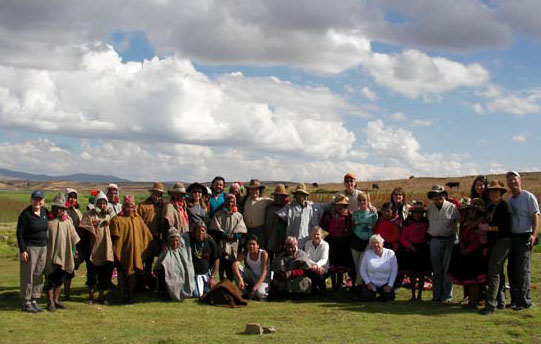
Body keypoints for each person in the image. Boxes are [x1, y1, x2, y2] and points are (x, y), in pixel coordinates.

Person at [506, 171, 539, 310]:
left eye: (514, 179)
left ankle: (525, 300)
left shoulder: (528, 197)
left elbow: (535, 216)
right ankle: (514, 299)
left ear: (520, 180)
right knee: (512, 269)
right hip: (513, 236)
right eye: (509, 180)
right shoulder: (510, 199)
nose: (512, 182)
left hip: (525, 235)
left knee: (523, 270)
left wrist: (534, 234)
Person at [110, 195, 153, 303]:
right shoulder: (116, 219)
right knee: (122, 273)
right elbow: (114, 237)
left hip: (135, 252)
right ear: (123, 207)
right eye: (128, 207)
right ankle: (121, 294)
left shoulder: (137, 219)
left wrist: (142, 249)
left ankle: (130, 294)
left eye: (132, 207)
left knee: (133, 273)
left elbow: (146, 234)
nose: (130, 209)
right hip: (122, 252)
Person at [479, 180, 513, 315]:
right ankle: (501, 302)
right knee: (498, 272)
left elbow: (507, 227)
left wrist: (489, 228)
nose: (494, 194)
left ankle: (490, 305)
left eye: (497, 192)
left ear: (501, 193)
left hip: (502, 241)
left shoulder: (505, 206)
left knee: (494, 272)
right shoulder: (490, 206)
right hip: (493, 241)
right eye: (492, 191)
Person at [43, 194, 80, 311]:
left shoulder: (68, 222)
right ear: (53, 208)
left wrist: (75, 251)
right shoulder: (47, 221)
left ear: (64, 209)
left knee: (60, 279)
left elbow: (74, 238)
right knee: (50, 278)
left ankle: (56, 300)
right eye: (56, 207)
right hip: (50, 254)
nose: (58, 210)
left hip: (65, 254)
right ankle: (50, 302)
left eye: (60, 208)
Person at [449, 198, 487, 309]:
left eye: (473, 210)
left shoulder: (480, 223)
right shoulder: (466, 222)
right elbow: (461, 236)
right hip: (465, 252)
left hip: (475, 254)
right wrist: (462, 246)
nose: (470, 212)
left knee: (473, 280)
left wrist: (468, 249)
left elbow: (479, 241)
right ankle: (469, 299)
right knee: (467, 280)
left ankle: (474, 301)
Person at [79, 191, 114, 304]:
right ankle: (91, 296)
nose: (102, 205)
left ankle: (101, 296)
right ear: (96, 203)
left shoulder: (108, 215)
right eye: (100, 203)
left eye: (104, 203)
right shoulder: (89, 214)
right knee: (92, 274)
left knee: (104, 274)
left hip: (105, 249)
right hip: (92, 249)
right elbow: (83, 229)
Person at [426, 184, 459, 303]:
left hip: (449, 240)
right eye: (435, 195)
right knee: (436, 270)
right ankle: (436, 295)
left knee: (447, 270)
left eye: (440, 194)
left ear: (444, 195)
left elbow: (460, 221)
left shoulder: (452, 207)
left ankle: (447, 296)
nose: (438, 197)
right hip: (434, 240)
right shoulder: (430, 208)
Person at [16, 190, 48, 313]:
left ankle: (35, 299)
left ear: (43, 201)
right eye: (35, 199)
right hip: (30, 248)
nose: (38, 202)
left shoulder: (45, 212)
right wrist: (23, 250)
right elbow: (19, 233)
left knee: (38, 274)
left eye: (40, 199)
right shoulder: (25, 214)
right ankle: (26, 301)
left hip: (43, 247)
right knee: (27, 275)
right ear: (31, 200)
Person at [396, 201, 430, 301]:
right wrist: (410, 246)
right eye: (416, 212)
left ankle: (419, 295)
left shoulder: (426, 223)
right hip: (411, 249)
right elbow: (403, 237)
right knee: (412, 274)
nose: (418, 215)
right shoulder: (408, 223)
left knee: (422, 274)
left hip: (423, 248)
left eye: (420, 213)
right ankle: (413, 295)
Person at [320, 194, 354, 291]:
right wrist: (331, 232)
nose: (340, 207)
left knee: (342, 265)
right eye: (338, 205)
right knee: (333, 264)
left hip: (344, 243)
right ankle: (334, 284)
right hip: (332, 242)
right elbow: (323, 225)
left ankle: (340, 284)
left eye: (342, 205)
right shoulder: (329, 214)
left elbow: (352, 227)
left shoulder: (349, 215)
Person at [209, 193, 247, 280]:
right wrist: (225, 235)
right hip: (221, 244)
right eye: (228, 201)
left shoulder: (238, 215)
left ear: (235, 203)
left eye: (232, 202)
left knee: (231, 266)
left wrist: (234, 236)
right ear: (225, 202)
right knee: (221, 265)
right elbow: (215, 229)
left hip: (233, 244)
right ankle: (221, 280)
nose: (230, 204)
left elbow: (242, 230)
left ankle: (231, 281)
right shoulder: (218, 215)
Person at [275, 183, 325, 249]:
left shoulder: (312, 207)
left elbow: (326, 206)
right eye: (298, 194)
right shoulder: (289, 207)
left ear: (305, 196)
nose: (300, 196)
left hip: (307, 242)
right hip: (292, 243)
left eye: (302, 194)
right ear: (295, 195)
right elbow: (279, 220)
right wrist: (285, 236)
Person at [136, 182, 166, 291]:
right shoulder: (142, 206)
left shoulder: (163, 207)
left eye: (160, 194)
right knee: (145, 263)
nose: (158, 196)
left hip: (158, 240)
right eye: (156, 193)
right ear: (152, 193)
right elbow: (138, 223)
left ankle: (157, 285)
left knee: (160, 264)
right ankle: (141, 285)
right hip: (145, 239)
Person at [154, 228, 195, 301]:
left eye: (177, 240)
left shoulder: (183, 250)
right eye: (173, 241)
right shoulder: (166, 251)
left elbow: (188, 234)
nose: (175, 243)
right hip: (170, 276)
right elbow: (157, 265)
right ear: (169, 241)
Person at [360, 234, 398, 301]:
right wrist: (368, 282)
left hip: (385, 283)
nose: (376, 245)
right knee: (367, 297)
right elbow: (362, 270)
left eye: (378, 243)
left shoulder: (390, 253)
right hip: (371, 282)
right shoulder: (367, 254)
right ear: (371, 245)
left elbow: (394, 270)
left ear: (382, 243)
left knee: (389, 297)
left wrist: (390, 285)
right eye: (373, 243)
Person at [185, 223, 219, 297]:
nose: (200, 233)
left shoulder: (211, 243)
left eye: (202, 231)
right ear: (194, 232)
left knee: (211, 291)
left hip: (205, 274)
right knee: (196, 294)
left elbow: (216, 260)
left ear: (206, 232)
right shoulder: (189, 241)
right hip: (192, 274)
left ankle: (205, 288)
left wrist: (212, 277)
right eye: (198, 231)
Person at [232, 235, 270, 300]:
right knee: (237, 268)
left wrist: (254, 289)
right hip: (252, 277)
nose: (251, 246)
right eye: (249, 244)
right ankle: (243, 292)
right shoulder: (245, 253)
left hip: (264, 279)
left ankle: (256, 291)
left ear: (258, 245)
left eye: (253, 244)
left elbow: (264, 273)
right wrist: (240, 279)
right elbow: (235, 264)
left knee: (260, 294)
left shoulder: (263, 254)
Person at [62, 188, 83, 300]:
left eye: (74, 197)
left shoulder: (77, 212)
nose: (72, 199)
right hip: (63, 243)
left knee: (70, 268)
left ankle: (67, 294)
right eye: (70, 196)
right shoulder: (62, 211)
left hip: (74, 243)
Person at [242, 179, 273, 248]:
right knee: (247, 250)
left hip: (259, 230)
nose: (253, 191)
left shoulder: (265, 201)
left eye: (255, 189)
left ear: (259, 190)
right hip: (246, 230)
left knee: (260, 249)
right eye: (251, 189)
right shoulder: (244, 199)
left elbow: (276, 202)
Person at [264, 184, 290, 262]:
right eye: (276, 196)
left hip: (282, 239)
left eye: (280, 196)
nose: (278, 198)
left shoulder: (287, 208)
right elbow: (267, 224)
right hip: (269, 238)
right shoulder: (270, 208)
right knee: (269, 260)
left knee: (280, 261)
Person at [303, 226, 329, 296]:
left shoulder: (325, 245)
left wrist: (317, 265)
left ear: (321, 235)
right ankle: (313, 291)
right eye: (314, 234)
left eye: (318, 234)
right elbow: (307, 258)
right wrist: (315, 266)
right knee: (312, 273)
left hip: (323, 267)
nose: (316, 236)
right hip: (311, 266)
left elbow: (324, 259)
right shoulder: (307, 244)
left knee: (320, 274)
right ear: (311, 235)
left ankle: (322, 292)